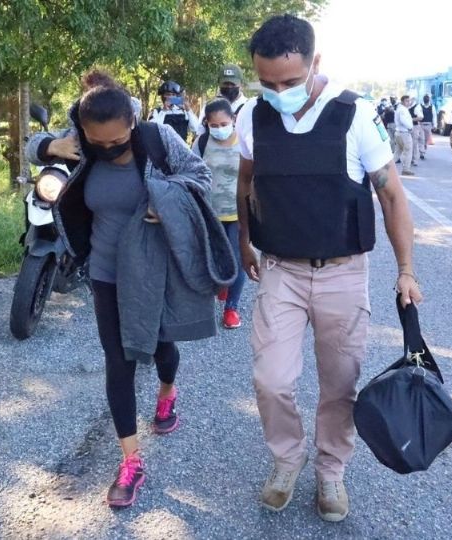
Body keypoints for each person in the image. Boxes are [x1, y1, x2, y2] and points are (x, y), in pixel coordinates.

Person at [235, 14, 423, 522]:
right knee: (271, 379)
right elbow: (248, 180)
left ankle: (331, 470)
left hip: (342, 270)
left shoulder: (356, 115)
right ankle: (286, 458)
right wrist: (246, 243)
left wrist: (405, 269)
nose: (278, 92)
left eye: (290, 82)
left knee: (340, 384)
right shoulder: (252, 115)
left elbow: (391, 195)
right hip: (282, 270)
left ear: (316, 62)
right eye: (267, 82)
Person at [26, 72, 234, 508]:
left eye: (118, 142)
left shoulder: (157, 139)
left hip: (152, 268)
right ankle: (131, 461)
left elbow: (199, 176)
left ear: (132, 124)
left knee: (160, 348)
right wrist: (50, 146)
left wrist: (167, 198)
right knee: (117, 361)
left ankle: (166, 392)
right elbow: (32, 148)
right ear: (85, 132)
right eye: (97, 143)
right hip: (104, 270)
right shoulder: (81, 142)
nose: (109, 149)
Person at [192, 98, 247, 329]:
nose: (219, 129)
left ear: (233, 120)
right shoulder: (202, 142)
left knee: (237, 260)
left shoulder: (245, 142)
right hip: (209, 213)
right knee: (210, 259)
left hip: (238, 213)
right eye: (213, 125)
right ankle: (218, 287)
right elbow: (189, 169)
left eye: (223, 123)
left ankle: (231, 309)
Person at [393, 95, 415, 175]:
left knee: (397, 152)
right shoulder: (402, 110)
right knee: (408, 151)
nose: (409, 102)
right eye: (407, 101)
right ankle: (406, 169)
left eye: (409, 101)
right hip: (404, 133)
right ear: (402, 101)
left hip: (399, 132)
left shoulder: (401, 109)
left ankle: (388, 168)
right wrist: (410, 127)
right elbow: (403, 120)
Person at [408, 95, 424, 166]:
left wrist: (410, 119)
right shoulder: (408, 107)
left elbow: (420, 117)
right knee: (409, 144)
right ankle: (410, 159)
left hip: (415, 127)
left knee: (414, 144)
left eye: (409, 100)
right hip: (408, 127)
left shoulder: (417, 107)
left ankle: (414, 160)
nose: (408, 101)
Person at [418, 94, 434, 159]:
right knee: (421, 139)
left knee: (426, 140)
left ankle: (423, 150)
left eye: (427, 98)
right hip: (421, 124)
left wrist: (435, 125)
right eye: (425, 98)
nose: (426, 100)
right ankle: (422, 153)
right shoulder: (420, 106)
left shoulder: (432, 106)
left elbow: (434, 116)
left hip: (428, 125)